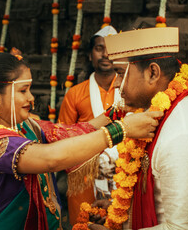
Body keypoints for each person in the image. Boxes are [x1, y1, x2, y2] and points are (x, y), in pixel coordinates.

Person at [0, 51, 160, 229]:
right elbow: (51, 158)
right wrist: (121, 130)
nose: (31, 98)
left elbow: (75, 131)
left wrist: (120, 109)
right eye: (23, 90)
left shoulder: (25, 127)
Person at [87, 27, 188, 229]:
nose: (116, 84)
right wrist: (123, 211)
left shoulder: (183, 135)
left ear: (153, 73)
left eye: (120, 73)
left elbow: (185, 227)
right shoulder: (157, 114)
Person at [58, 26, 120, 225]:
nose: (106, 54)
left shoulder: (130, 91)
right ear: (90, 54)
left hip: (124, 174)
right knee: (84, 224)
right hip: (84, 180)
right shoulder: (75, 94)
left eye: (111, 49)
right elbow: (62, 138)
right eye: (99, 48)